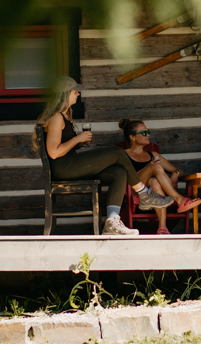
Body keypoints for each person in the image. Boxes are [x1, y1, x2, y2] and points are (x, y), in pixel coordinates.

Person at [34, 77, 175, 236]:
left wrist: (78, 143)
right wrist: (76, 139)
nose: (78, 94)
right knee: (117, 153)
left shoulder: (65, 117)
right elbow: (53, 152)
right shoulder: (56, 117)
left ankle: (112, 222)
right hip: (64, 167)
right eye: (75, 91)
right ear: (64, 94)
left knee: (118, 172)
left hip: (70, 163)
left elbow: (63, 146)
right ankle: (144, 193)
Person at [119, 119, 201, 234]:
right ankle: (180, 199)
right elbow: (124, 177)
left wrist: (175, 175)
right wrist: (149, 168)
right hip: (132, 190)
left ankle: (162, 227)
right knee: (156, 167)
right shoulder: (123, 155)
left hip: (152, 190)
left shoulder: (153, 155)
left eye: (148, 132)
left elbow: (178, 170)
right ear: (132, 137)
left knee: (155, 182)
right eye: (143, 133)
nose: (147, 135)